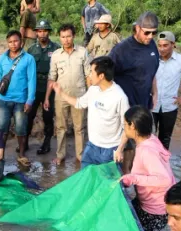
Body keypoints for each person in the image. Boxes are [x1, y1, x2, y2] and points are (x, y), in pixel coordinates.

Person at [53, 56, 129, 167]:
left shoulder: (120, 97)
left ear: (101, 76)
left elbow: (127, 127)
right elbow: (79, 103)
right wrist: (61, 93)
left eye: (92, 72)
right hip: (91, 147)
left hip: (110, 150)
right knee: (86, 179)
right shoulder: (94, 89)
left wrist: (120, 149)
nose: (89, 76)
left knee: (107, 182)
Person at [119, 106, 176, 231]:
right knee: (128, 221)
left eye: (124, 125)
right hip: (149, 202)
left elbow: (164, 179)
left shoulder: (146, 151)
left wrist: (133, 178)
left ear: (132, 126)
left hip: (155, 210)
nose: (124, 128)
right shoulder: (151, 138)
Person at [46, 24, 91, 165]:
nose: (66, 40)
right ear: (59, 37)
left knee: (79, 128)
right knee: (61, 127)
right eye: (63, 37)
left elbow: (88, 75)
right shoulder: (55, 55)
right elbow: (52, 78)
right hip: (61, 97)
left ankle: (80, 156)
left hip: (80, 96)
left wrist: (91, 95)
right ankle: (60, 155)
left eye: (68, 36)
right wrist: (47, 97)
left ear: (74, 36)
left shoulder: (83, 52)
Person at [0, 30, 37, 167]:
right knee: (1, 129)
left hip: (21, 100)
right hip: (3, 100)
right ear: (7, 43)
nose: (13, 44)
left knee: (21, 128)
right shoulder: (2, 58)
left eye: (16, 41)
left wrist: (30, 100)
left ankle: (21, 155)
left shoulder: (28, 59)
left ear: (21, 42)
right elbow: (0, 77)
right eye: (10, 42)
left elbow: (32, 80)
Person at [109, 12, 160, 109]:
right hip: (126, 108)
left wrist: (155, 93)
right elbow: (105, 76)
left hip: (145, 105)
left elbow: (151, 71)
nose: (150, 36)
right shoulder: (121, 50)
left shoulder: (151, 44)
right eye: (147, 32)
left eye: (154, 33)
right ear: (137, 28)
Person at [26, 20, 60, 155]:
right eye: (39, 31)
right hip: (34, 86)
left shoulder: (56, 48)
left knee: (48, 116)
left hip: (49, 87)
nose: (42, 33)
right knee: (29, 115)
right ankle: (25, 142)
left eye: (45, 30)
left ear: (49, 32)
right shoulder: (31, 49)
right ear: (36, 33)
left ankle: (46, 144)